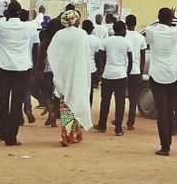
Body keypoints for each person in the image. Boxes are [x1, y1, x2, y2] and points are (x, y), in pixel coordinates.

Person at [0, 3, 36, 147]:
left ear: (8, 13)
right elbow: (38, 21)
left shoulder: (1, 27)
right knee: (16, 104)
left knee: (3, 102)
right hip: (22, 70)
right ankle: (11, 138)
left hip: (4, 70)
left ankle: (2, 131)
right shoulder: (27, 27)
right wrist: (39, 13)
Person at [48, 9, 92, 147]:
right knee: (77, 101)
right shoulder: (82, 34)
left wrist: (58, 71)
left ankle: (68, 134)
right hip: (78, 74)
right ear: (75, 20)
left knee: (66, 103)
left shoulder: (59, 35)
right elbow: (85, 54)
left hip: (64, 75)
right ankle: (73, 134)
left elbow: (52, 53)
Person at [145, 8, 177, 156]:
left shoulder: (152, 31)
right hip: (172, 75)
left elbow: (149, 30)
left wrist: (168, 19)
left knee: (161, 112)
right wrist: (173, 19)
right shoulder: (175, 32)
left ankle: (165, 146)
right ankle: (169, 140)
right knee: (170, 109)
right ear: (171, 19)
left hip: (156, 75)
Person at [97, 20, 132, 135]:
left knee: (105, 101)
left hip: (108, 74)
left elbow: (99, 56)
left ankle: (102, 125)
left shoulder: (106, 41)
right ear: (122, 30)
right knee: (120, 103)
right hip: (121, 75)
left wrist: (102, 69)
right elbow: (130, 60)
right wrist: (127, 72)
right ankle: (118, 129)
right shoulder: (126, 42)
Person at [124, 13, 146, 130]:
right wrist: (141, 73)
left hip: (123, 70)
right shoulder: (140, 37)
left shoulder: (123, 35)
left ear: (126, 24)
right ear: (136, 24)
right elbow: (142, 56)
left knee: (120, 96)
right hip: (136, 70)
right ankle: (130, 122)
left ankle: (118, 119)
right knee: (133, 98)